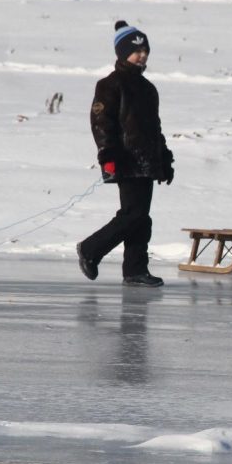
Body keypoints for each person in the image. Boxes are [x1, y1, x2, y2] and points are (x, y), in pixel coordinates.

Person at [77, 21, 174, 287]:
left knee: (141, 217)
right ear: (122, 53)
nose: (142, 55)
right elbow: (101, 122)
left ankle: (135, 270)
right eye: (136, 51)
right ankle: (90, 249)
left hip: (146, 161)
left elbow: (154, 128)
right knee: (133, 215)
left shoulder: (148, 88)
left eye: (145, 51)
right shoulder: (110, 84)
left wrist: (164, 158)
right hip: (125, 160)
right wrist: (107, 156)